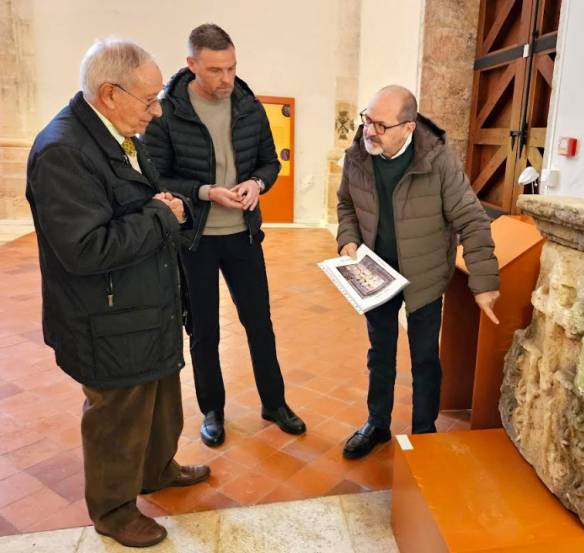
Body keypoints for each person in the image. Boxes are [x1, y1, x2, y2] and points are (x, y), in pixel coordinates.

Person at [25, 39, 209, 548]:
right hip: (106, 317)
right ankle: (113, 509)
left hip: (144, 305)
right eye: (149, 100)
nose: (157, 111)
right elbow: (84, 248)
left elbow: (146, 198)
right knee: (118, 414)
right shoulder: (64, 150)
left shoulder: (118, 130)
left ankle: (156, 470)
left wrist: (170, 210)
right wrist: (161, 215)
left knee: (161, 398)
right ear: (109, 93)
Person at [144, 23, 305, 447]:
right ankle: (212, 410)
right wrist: (204, 192)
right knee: (204, 332)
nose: (226, 79)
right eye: (215, 70)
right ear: (192, 64)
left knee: (260, 324)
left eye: (232, 68)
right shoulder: (167, 112)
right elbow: (156, 175)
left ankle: (275, 402)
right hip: (195, 240)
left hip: (243, 236)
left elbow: (270, 163)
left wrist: (258, 183)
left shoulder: (249, 106)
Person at [336, 85, 501, 459]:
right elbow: (346, 203)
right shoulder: (358, 156)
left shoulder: (438, 162)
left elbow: (473, 221)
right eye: (367, 119)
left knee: (425, 356)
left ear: (408, 128)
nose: (369, 131)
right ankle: (377, 423)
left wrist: (484, 283)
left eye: (380, 124)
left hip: (423, 277)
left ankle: (424, 431)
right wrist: (347, 239)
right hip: (375, 274)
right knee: (380, 353)